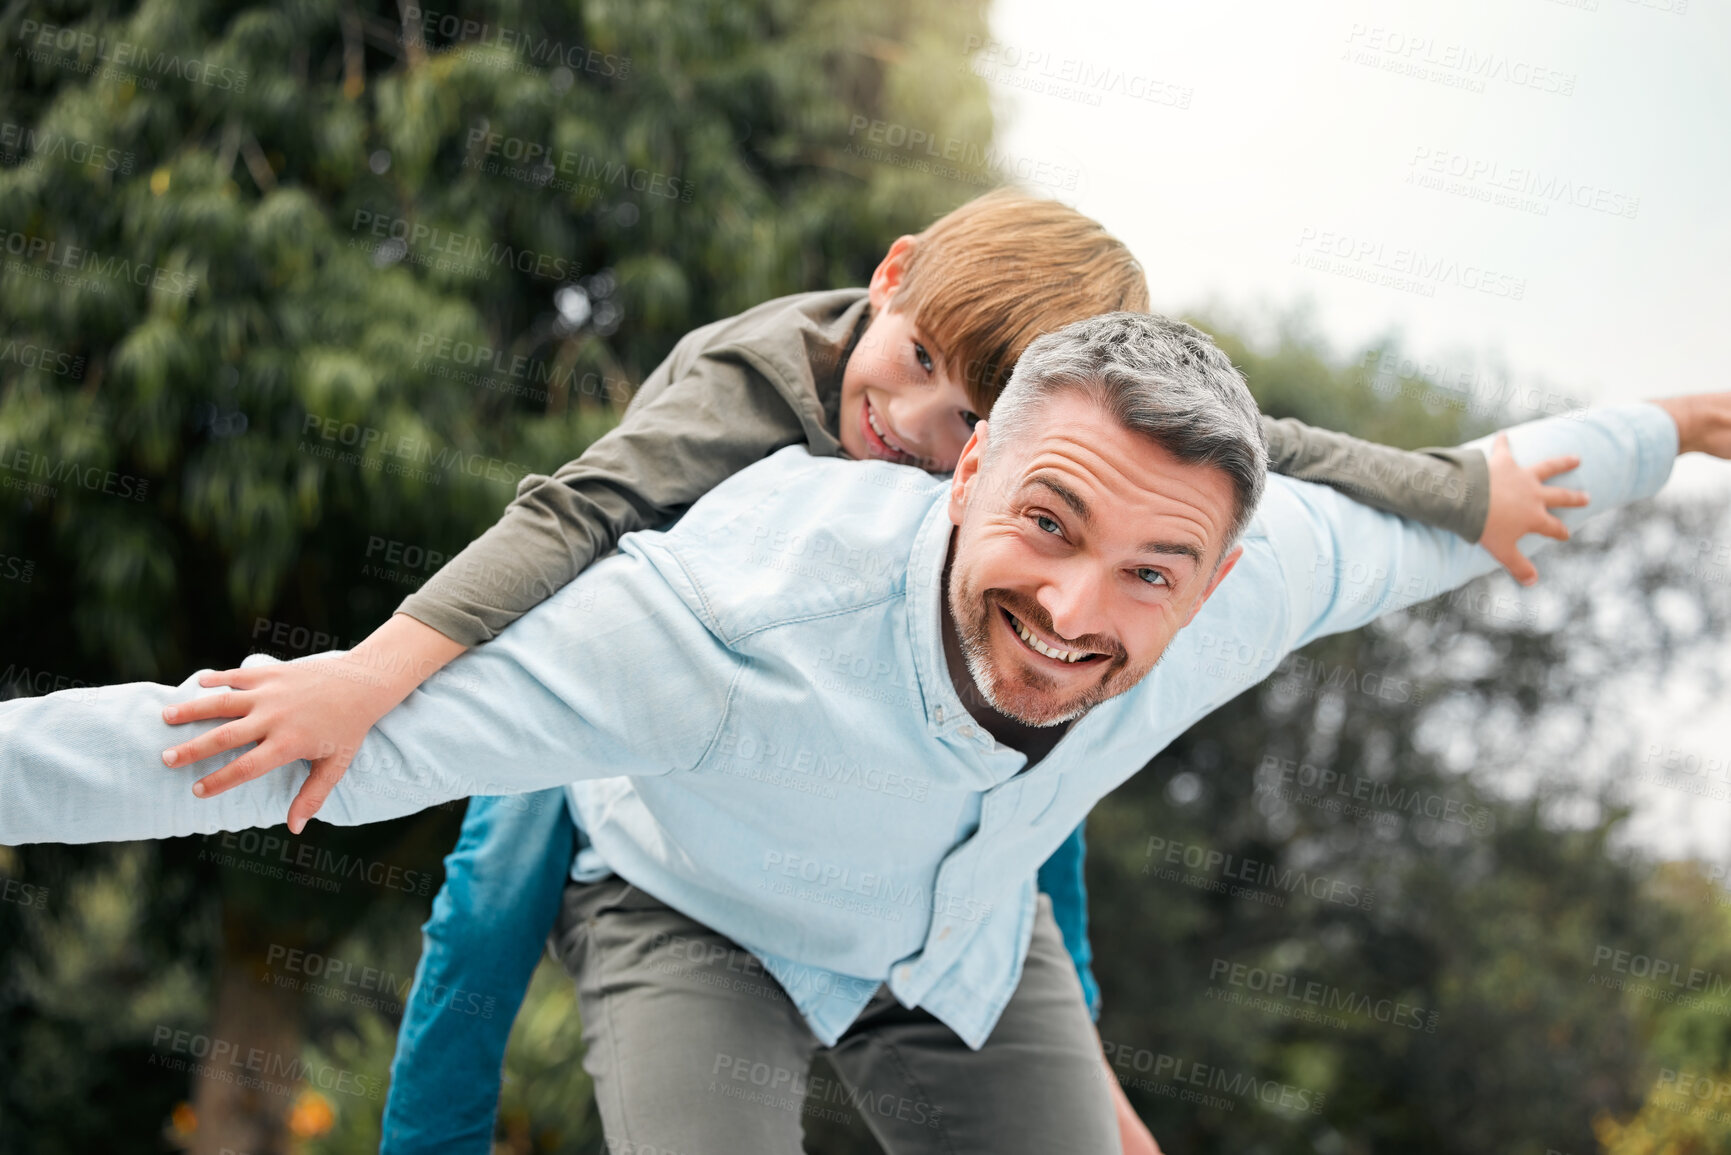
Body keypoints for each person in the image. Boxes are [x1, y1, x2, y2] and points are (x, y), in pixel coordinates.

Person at [5, 313, 1720, 1153]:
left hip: (964, 951)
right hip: (701, 919)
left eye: (1150, 573)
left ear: (1217, 578)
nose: (1079, 612)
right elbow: (272, 745)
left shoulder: (1258, 572)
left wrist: (1670, 421)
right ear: (964, 471)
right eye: (1046, 526)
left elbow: (1478, 503)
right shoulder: (726, 623)